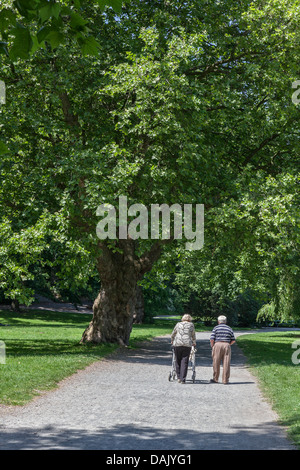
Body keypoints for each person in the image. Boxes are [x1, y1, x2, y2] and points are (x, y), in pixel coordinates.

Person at [210, 315, 235, 384]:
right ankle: (225, 380)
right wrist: (228, 344)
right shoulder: (229, 328)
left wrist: (212, 346)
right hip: (226, 344)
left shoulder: (216, 328)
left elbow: (212, 339)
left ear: (218, 321)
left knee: (216, 362)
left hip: (217, 344)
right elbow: (233, 340)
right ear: (225, 321)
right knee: (226, 363)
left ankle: (215, 379)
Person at [171, 314, 196, 384]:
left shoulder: (178, 324)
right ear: (189, 319)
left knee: (177, 360)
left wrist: (172, 339)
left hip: (178, 343)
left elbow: (173, 333)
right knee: (184, 361)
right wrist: (194, 342)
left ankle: (178, 377)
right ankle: (183, 379)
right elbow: (193, 334)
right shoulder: (191, 325)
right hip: (187, 344)